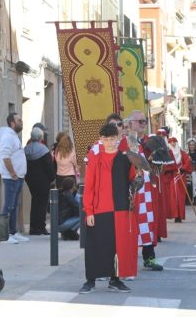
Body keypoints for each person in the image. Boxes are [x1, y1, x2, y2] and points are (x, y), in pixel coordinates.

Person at [79, 123, 139, 294]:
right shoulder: (95, 159)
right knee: (94, 246)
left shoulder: (126, 158)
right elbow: (89, 186)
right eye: (106, 139)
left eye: (112, 139)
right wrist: (88, 210)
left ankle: (115, 280)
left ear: (118, 139)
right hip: (99, 209)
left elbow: (132, 181)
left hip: (120, 209)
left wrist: (138, 182)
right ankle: (90, 281)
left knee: (117, 247)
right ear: (101, 139)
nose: (109, 142)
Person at [122, 110, 164, 271]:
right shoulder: (129, 141)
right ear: (130, 123)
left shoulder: (140, 142)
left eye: (144, 121)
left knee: (147, 223)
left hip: (145, 190)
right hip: (134, 190)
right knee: (133, 225)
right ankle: (129, 259)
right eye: (140, 121)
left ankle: (149, 257)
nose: (144, 124)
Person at [0, 113, 29, 243]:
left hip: (17, 177)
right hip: (11, 178)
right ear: (12, 123)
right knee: (9, 206)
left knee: (15, 205)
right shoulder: (8, 137)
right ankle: (4, 235)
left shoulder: (14, 136)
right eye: (19, 120)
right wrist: (13, 173)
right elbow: (5, 156)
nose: (21, 122)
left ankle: (13, 231)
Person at [24, 127, 55, 235]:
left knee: (35, 202)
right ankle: (41, 227)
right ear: (41, 137)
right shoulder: (43, 149)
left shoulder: (26, 149)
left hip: (31, 180)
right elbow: (48, 166)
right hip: (43, 181)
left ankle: (33, 227)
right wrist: (52, 178)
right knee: (42, 204)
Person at [164, 137, 192, 222]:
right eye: (171, 142)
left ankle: (179, 215)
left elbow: (187, 161)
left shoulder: (182, 152)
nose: (173, 143)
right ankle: (174, 215)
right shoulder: (167, 153)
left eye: (174, 142)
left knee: (180, 196)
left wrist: (183, 168)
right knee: (172, 196)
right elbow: (165, 164)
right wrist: (170, 169)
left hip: (180, 176)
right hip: (172, 177)